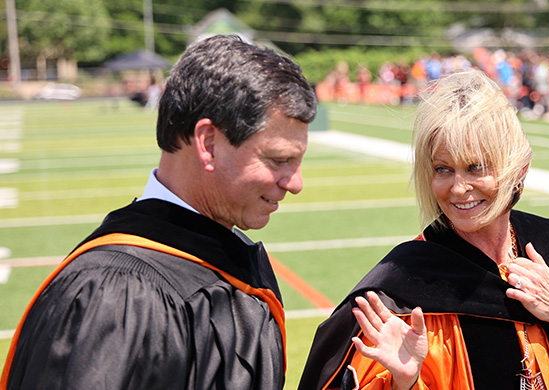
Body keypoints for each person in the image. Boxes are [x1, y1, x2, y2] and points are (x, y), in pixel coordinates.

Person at [1, 34, 317, 390]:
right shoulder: (114, 296)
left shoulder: (229, 256)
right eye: (279, 160)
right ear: (209, 143)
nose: (295, 183)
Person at [299, 69, 549, 390]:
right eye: (443, 169)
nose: (458, 188)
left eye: (475, 167)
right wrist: (402, 381)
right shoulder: (404, 291)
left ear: (518, 168)